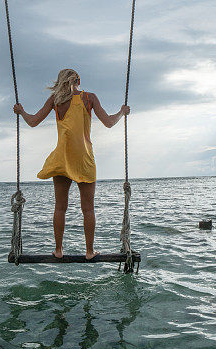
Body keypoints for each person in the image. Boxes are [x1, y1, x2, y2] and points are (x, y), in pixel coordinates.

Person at [13, 69, 130, 260]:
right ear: (79, 81)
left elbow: (33, 122)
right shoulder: (89, 97)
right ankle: (90, 252)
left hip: (62, 158)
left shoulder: (55, 100)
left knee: (60, 207)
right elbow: (108, 122)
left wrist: (21, 111)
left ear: (60, 82)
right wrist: (122, 112)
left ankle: (58, 250)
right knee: (88, 209)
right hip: (84, 159)